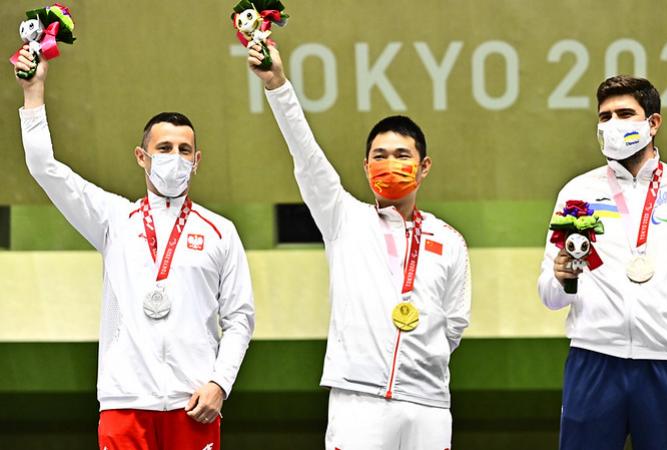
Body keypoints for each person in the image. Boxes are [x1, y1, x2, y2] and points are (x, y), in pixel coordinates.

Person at [13, 47, 255, 450]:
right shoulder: (113, 219)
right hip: (124, 403)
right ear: (142, 157)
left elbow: (240, 318)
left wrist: (219, 384)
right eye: (164, 148)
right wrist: (33, 92)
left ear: (196, 161)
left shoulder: (220, 231)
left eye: (183, 150)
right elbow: (44, 166)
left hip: (193, 404)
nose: (174, 158)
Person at [247, 43, 471, 450]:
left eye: (402, 155)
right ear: (366, 168)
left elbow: (454, 324)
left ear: (424, 167)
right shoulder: (344, 218)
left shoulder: (450, 241)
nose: (390, 164)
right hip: (359, 398)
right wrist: (277, 85)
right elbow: (306, 155)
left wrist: (419, 359)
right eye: (380, 156)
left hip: (429, 404)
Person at [538, 75, 667, 450]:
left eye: (624, 114)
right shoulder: (577, 194)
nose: (612, 125)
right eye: (604, 117)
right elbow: (551, 297)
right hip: (593, 361)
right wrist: (561, 278)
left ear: (653, 123)